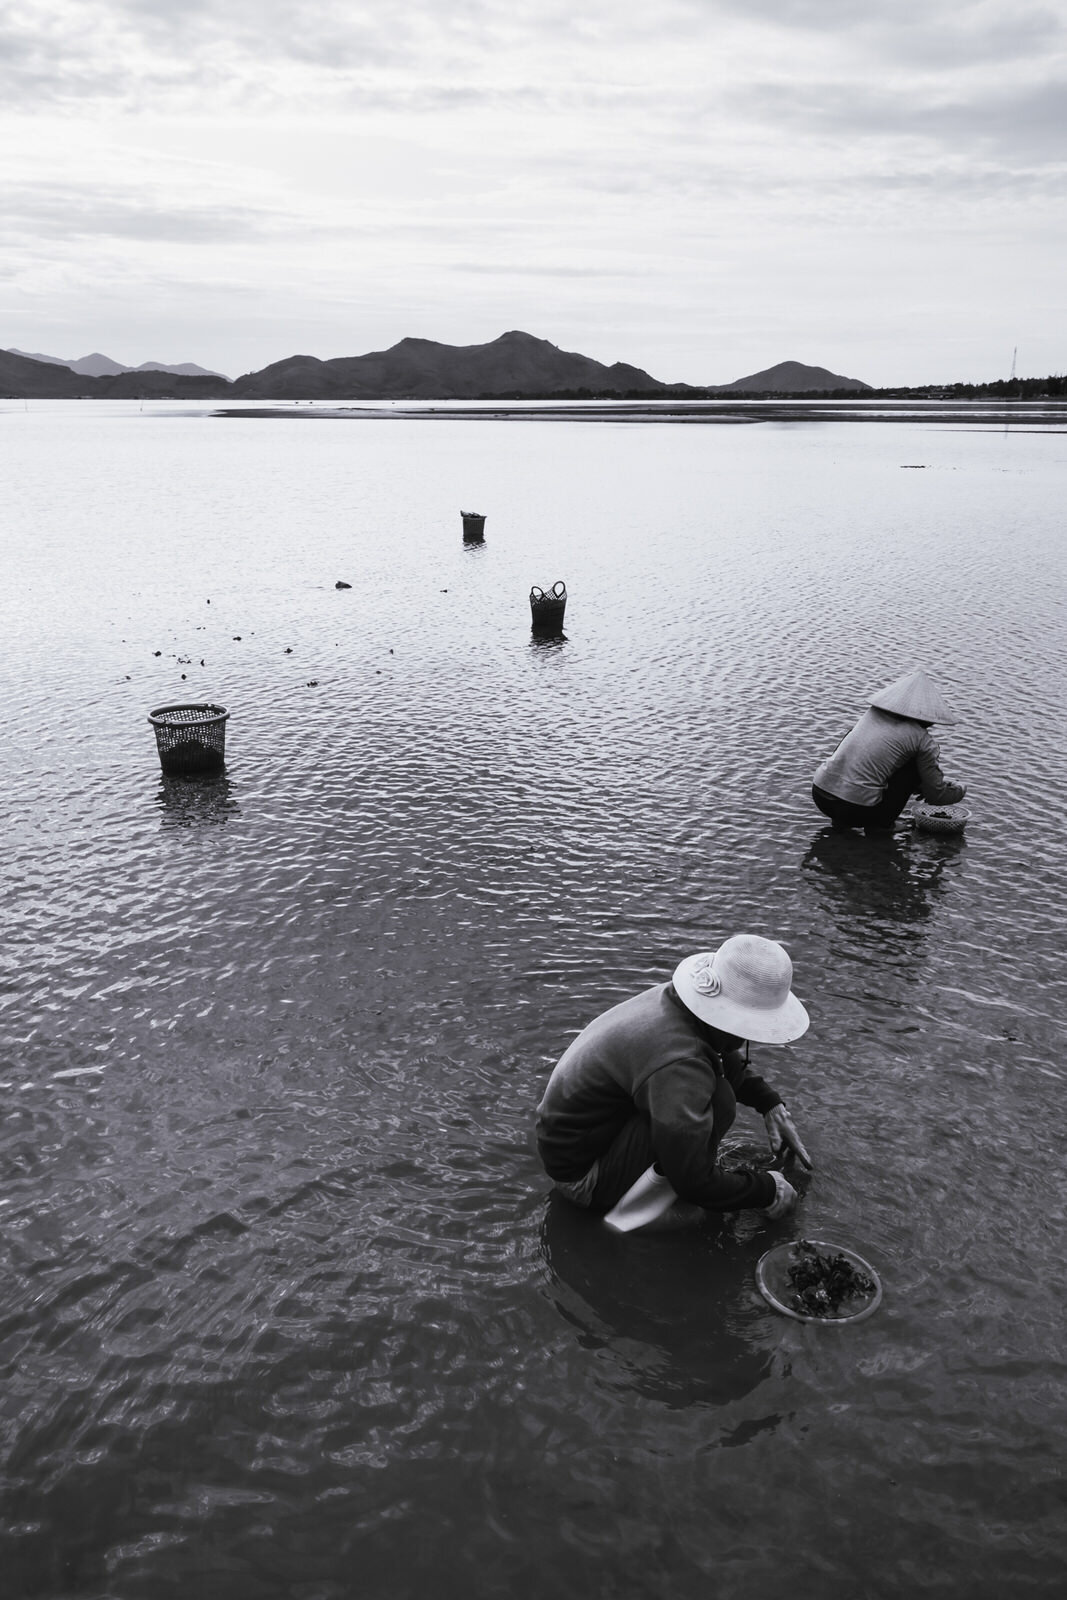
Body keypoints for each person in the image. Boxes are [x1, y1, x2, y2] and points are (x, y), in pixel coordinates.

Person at [535, 935, 812, 1232]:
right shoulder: (680, 1062)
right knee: (719, 1103)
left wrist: (769, 1104)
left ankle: (659, 1181)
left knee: (712, 1095)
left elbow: (717, 1052)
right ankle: (623, 1221)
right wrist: (767, 1189)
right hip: (583, 1178)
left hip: (583, 1142)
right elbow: (694, 1181)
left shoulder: (676, 1006)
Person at [811, 668, 966, 834]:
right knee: (914, 768)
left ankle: (841, 824)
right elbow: (938, 796)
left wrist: (921, 786)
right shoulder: (923, 740)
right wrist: (960, 788)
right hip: (854, 808)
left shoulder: (871, 715)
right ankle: (882, 825)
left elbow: (874, 761)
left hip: (821, 794)